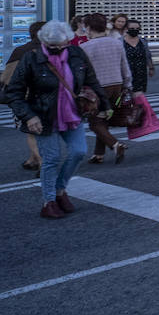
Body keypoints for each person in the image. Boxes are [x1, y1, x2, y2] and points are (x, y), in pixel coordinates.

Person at [3, 19, 110, 219]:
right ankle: (49, 201)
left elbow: (91, 80)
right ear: (44, 41)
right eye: (50, 46)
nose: (55, 49)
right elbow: (14, 92)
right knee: (51, 159)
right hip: (43, 115)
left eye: (59, 46)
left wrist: (104, 106)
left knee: (79, 151)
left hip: (72, 113)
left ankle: (60, 190)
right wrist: (29, 116)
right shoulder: (31, 58)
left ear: (67, 42)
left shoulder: (77, 54)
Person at [80, 14, 134, 165]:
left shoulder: (84, 47)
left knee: (95, 122)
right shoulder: (116, 43)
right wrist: (128, 84)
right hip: (117, 85)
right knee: (104, 120)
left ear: (89, 28)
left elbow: (82, 71)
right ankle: (98, 154)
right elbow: (125, 65)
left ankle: (116, 145)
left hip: (97, 87)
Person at [3, 20, 46, 172]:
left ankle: (41, 162)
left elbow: (8, 77)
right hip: (48, 97)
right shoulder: (53, 49)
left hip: (25, 97)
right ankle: (32, 159)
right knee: (41, 128)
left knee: (31, 130)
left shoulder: (21, 51)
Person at [121, 18, 154, 95]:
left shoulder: (143, 41)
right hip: (126, 73)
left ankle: (139, 106)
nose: (135, 30)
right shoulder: (120, 41)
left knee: (139, 95)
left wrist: (151, 68)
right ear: (126, 29)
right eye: (132, 28)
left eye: (137, 28)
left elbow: (147, 55)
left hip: (141, 73)